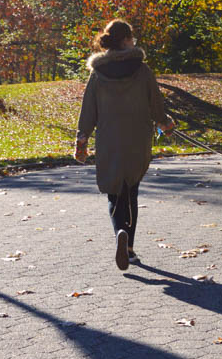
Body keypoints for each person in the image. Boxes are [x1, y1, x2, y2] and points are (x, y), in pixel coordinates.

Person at [74, 19, 174, 270]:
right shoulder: (142, 70)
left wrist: (82, 140)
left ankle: (120, 231)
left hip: (109, 140)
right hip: (138, 139)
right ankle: (128, 248)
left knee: (114, 192)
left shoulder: (97, 75)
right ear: (127, 40)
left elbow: (89, 110)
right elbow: (155, 104)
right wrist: (165, 124)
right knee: (131, 192)